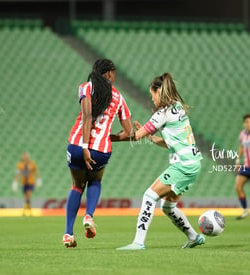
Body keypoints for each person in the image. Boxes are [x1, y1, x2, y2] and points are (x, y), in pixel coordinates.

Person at [117, 73, 204, 250]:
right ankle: (194, 237)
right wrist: (151, 137)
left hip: (183, 166)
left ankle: (138, 242)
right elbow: (171, 142)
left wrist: (109, 138)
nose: (152, 99)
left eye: (152, 95)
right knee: (167, 206)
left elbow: (135, 136)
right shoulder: (178, 107)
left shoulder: (162, 114)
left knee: (149, 195)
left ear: (159, 92)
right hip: (193, 164)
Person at [63, 59, 133, 248]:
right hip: (101, 150)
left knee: (77, 185)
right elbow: (129, 133)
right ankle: (89, 216)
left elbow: (86, 116)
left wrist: (85, 147)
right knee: (95, 181)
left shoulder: (86, 87)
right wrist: (109, 138)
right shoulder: (118, 97)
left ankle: (68, 234)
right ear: (109, 73)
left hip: (77, 146)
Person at [12, 152, 42, 216]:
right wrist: (15, 183)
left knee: (28, 194)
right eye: (24, 156)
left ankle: (24, 210)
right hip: (23, 183)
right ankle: (29, 210)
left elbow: (36, 172)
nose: (25, 158)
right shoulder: (20, 165)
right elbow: (18, 174)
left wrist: (38, 180)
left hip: (31, 182)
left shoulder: (32, 164)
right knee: (27, 197)